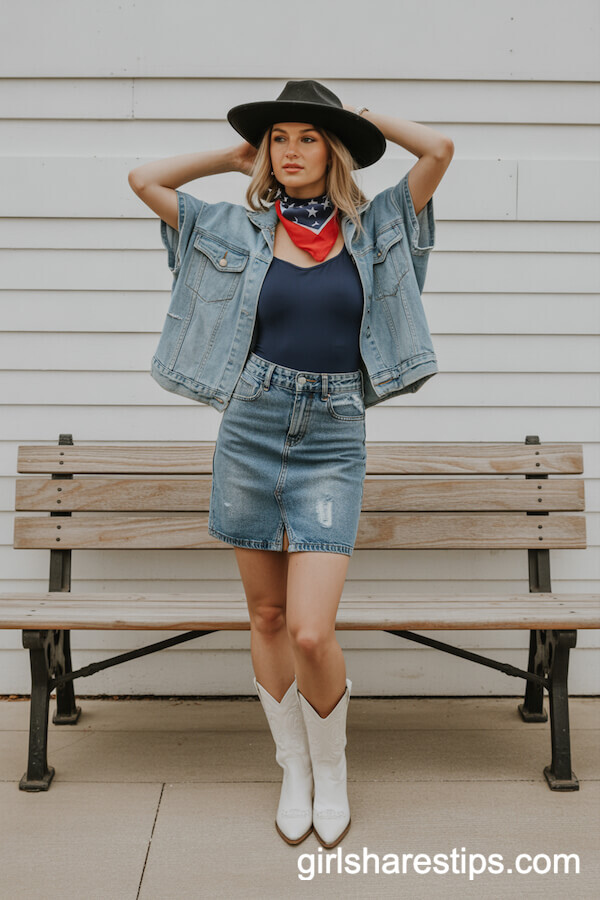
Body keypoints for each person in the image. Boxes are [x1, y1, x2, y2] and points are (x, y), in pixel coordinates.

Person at [128, 79, 453, 849]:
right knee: (267, 616)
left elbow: (438, 151)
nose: (293, 151)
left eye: (310, 137)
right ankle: (293, 769)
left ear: (333, 150)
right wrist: (232, 152)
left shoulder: (377, 229)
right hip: (250, 425)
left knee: (311, 629)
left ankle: (332, 768)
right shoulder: (235, 229)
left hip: (336, 433)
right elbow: (145, 180)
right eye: (281, 138)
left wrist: (365, 120)